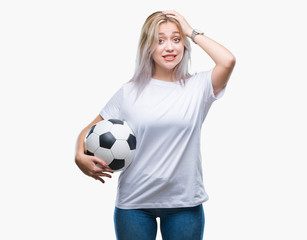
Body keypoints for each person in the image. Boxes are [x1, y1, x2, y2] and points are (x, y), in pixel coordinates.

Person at [75, 10, 235, 240]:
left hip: (184, 203)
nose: (169, 47)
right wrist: (79, 156)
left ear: (185, 45)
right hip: (134, 204)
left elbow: (228, 60)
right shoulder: (129, 92)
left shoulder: (198, 87)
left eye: (176, 39)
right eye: (160, 40)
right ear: (148, 47)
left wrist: (191, 31)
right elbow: (89, 130)